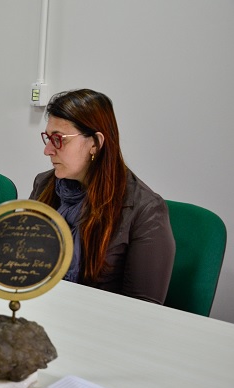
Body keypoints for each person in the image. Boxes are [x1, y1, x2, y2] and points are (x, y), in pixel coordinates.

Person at [30, 89, 174, 304]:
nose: (48, 150)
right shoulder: (45, 184)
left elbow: (143, 311)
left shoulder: (145, 211)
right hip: (41, 309)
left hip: (98, 326)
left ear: (95, 143)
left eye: (59, 139)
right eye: (48, 138)